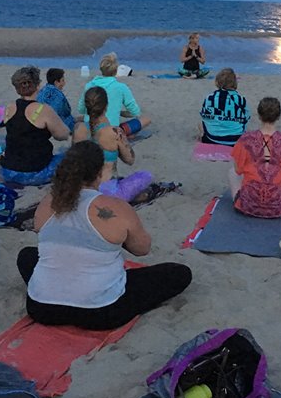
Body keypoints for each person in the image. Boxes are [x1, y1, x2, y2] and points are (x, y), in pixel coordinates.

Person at [16, 141, 191, 330]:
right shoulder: (116, 207)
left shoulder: (47, 203)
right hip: (100, 312)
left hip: (41, 308)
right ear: (99, 173)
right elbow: (142, 249)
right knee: (178, 273)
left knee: (27, 255)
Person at [229, 97, 281, 217]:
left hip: (247, 205)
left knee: (232, 173)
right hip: (277, 208)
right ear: (278, 116)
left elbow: (237, 170)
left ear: (259, 115)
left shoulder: (245, 139)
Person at [74, 86, 152, 201]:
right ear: (106, 106)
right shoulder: (114, 132)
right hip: (107, 192)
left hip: (82, 190)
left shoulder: (78, 129)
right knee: (146, 176)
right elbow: (130, 160)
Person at [1, 66, 71, 185]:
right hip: (36, 171)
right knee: (71, 156)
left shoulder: (9, 108)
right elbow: (62, 134)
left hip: (8, 171)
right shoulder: (43, 110)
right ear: (38, 85)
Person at [78, 53, 151, 135]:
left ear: (101, 68)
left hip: (90, 129)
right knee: (146, 120)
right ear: (116, 70)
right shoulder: (121, 87)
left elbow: (81, 109)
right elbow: (135, 112)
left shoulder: (89, 85)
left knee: (82, 120)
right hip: (112, 131)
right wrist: (120, 112)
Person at [199, 67, 249, 145]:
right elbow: (246, 118)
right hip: (236, 140)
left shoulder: (210, 98)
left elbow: (204, 116)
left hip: (212, 138)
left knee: (200, 125)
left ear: (217, 82)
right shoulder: (241, 99)